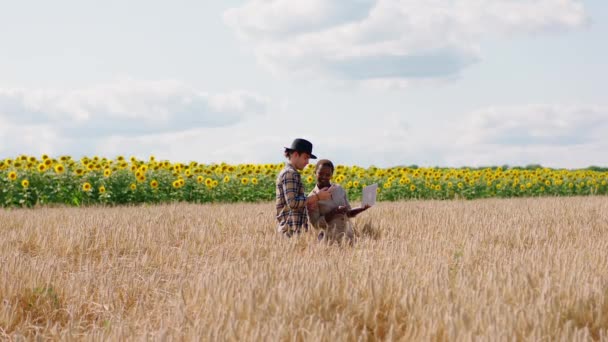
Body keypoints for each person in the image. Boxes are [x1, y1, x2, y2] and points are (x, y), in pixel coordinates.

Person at [275, 138, 332, 237]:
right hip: (290, 231)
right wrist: (317, 197)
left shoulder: (291, 173)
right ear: (296, 154)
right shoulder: (290, 173)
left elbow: (293, 203)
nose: (307, 162)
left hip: (293, 229)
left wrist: (308, 203)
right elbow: (292, 202)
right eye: (305, 158)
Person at [307, 159, 370, 245]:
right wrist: (334, 212)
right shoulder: (312, 197)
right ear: (315, 173)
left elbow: (348, 213)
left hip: (348, 238)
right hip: (330, 241)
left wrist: (362, 208)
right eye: (320, 173)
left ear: (331, 175)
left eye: (327, 174)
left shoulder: (339, 189)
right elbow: (316, 224)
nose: (324, 177)